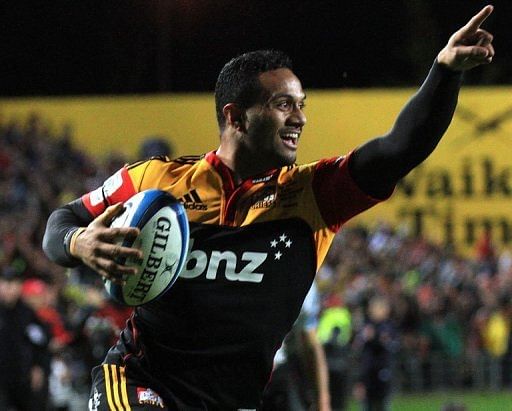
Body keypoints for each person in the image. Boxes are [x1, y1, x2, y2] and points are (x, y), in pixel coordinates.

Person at [43, 6, 495, 410]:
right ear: (235, 117)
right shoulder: (158, 179)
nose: (299, 118)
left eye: (301, 105)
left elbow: (399, 149)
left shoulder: (313, 195)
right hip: (140, 382)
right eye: (283, 105)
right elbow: (61, 221)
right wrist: (78, 241)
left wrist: (445, 72)